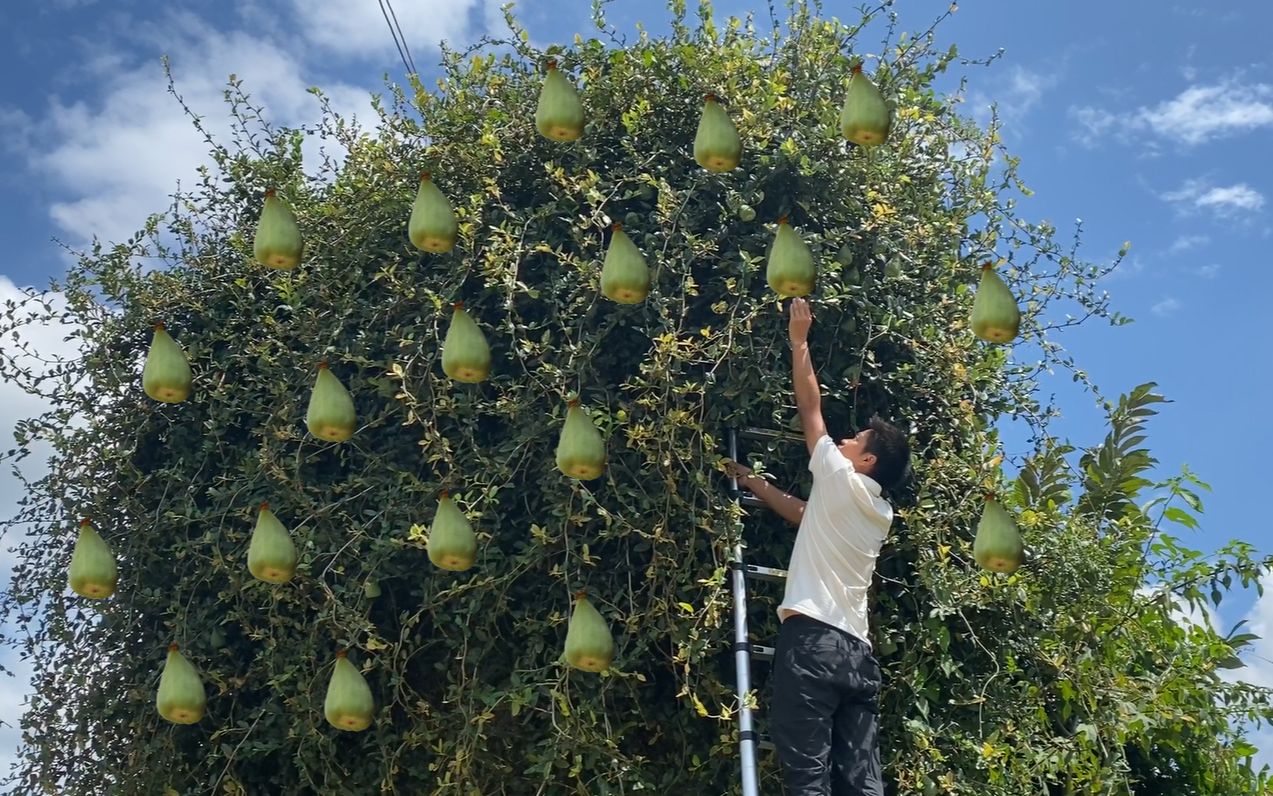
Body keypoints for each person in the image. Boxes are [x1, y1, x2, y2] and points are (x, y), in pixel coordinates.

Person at [723, 297, 911, 796]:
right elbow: (809, 517)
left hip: (815, 646)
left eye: (856, 440)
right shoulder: (878, 512)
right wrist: (760, 487)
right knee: (861, 783)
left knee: (808, 778)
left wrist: (799, 341)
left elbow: (811, 411)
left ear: (866, 460)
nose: (845, 441)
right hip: (858, 657)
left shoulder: (838, 476)